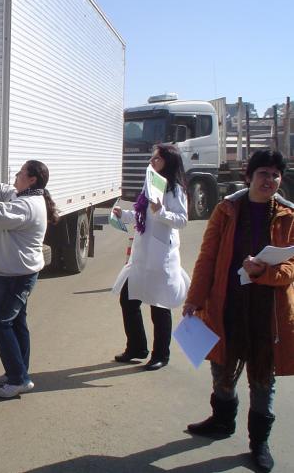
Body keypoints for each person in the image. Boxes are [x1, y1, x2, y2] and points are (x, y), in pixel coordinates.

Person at [183, 149, 294, 473]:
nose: (269, 180)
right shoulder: (227, 210)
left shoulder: (288, 216)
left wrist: (264, 272)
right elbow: (207, 258)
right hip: (227, 305)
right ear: (249, 176)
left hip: (268, 313)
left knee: (262, 379)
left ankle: (259, 442)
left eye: (275, 174)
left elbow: (290, 267)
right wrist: (194, 298)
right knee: (221, 368)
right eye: (263, 173)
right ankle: (222, 420)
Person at [0, 160, 59, 398]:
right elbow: (2, 189)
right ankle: (16, 371)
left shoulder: (28, 205)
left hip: (15, 278)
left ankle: (18, 379)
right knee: (15, 324)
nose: (16, 176)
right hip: (11, 276)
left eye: (20, 173)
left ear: (32, 179)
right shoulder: (24, 196)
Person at [111, 144, 190, 371]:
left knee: (159, 305)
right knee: (128, 299)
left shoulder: (175, 190)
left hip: (161, 256)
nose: (152, 161)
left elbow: (182, 220)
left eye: (156, 158)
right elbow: (141, 215)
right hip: (142, 254)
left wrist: (161, 212)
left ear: (168, 162)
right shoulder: (151, 185)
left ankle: (160, 355)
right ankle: (137, 347)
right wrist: (124, 215)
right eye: (152, 158)